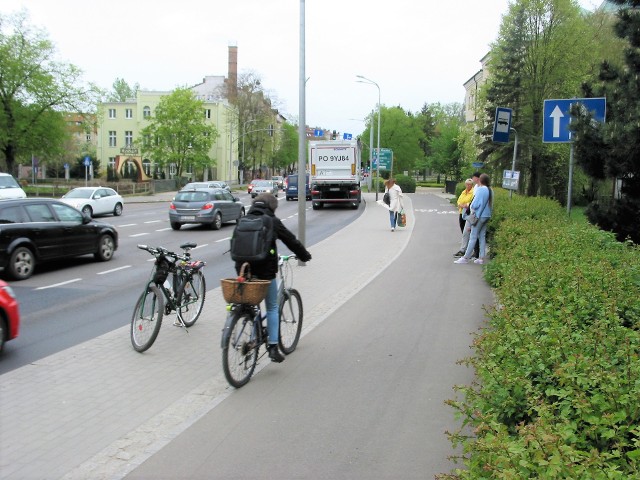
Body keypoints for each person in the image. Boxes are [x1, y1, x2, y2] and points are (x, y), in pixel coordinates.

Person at [234, 193, 312, 362]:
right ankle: (273, 347)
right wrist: (304, 256)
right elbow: (291, 241)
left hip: (242, 270)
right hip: (264, 272)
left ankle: (247, 322)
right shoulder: (271, 221)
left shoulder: (243, 220)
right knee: (272, 307)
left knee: (250, 303)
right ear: (272, 207)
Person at [454, 173, 492, 265]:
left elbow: (475, 204)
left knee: (473, 236)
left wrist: (470, 209)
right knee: (482, 236)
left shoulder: (480, 190)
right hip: (486, 215)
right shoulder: (490, 190)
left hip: (478, 216)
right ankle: (481, 258)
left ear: (480, 180)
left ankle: (465, 257)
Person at [454, 178, 474, 257]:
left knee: (467, 231)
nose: (468, 185)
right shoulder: (463, 192)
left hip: (468, 213)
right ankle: (465, 245)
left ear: (472, 185)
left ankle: (465, 249)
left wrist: (466, 205)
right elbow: (459, 200)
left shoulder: (473, 192)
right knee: (462, 228)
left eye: (469, 184)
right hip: (462, 212)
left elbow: (471, 202)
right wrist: (460, 204)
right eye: (467, 184)